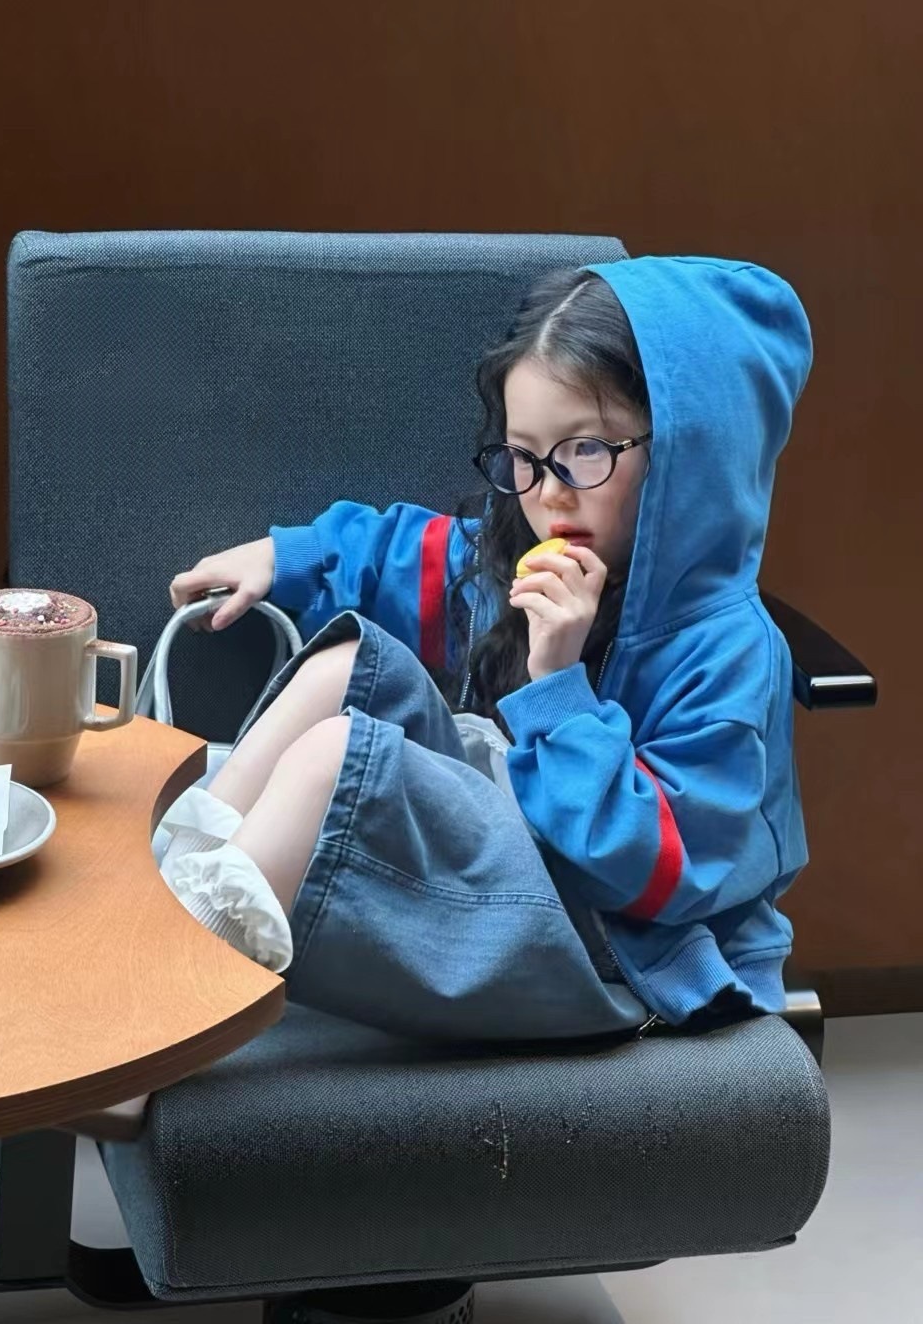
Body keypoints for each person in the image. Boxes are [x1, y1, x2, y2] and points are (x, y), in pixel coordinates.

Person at [159, 256, 812, 1042]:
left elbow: (652, 876)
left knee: (334, 759)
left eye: (587, 450)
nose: (550, 492)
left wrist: (557, 685)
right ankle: (160, 901)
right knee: (344, 668)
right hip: (541, 865)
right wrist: (287, 558)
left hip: (637, 953)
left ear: (686, 453)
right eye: (526, 457)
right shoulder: (530, 560)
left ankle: (160, 1015)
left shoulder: (730, 655)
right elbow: (413, 555)